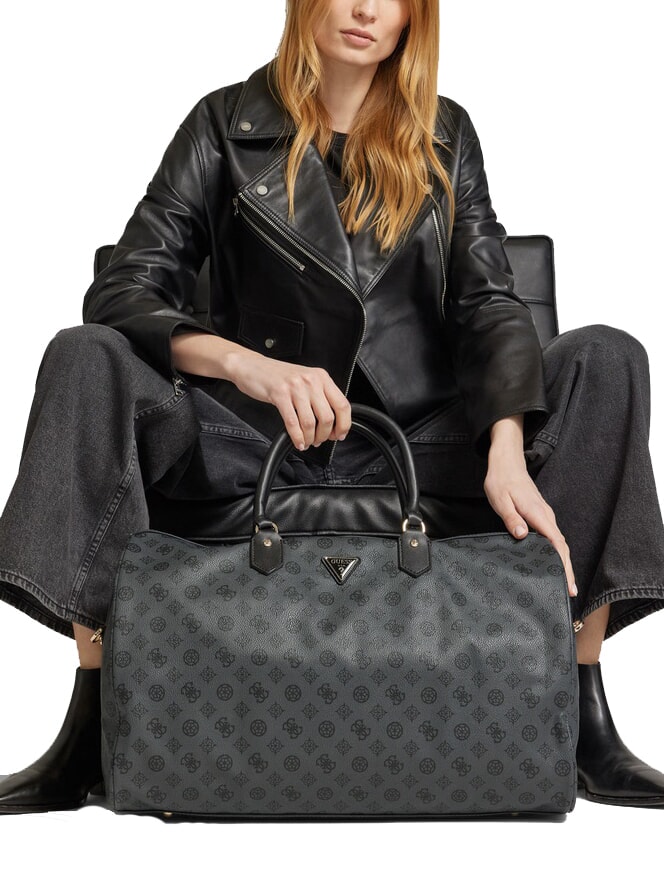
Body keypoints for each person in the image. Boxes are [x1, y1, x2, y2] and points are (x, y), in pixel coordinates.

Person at [1, 0, 664, 814]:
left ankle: (583, 710)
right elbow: (124, 288)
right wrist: (247, 366)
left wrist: (504, 449)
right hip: (249, 444)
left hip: (421, 448)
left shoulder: (445, 133)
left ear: (413, 17)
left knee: (607, 356)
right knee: (84, 353)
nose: (364, 9)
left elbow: (489, 305)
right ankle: (92, 721)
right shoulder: (223, 124)